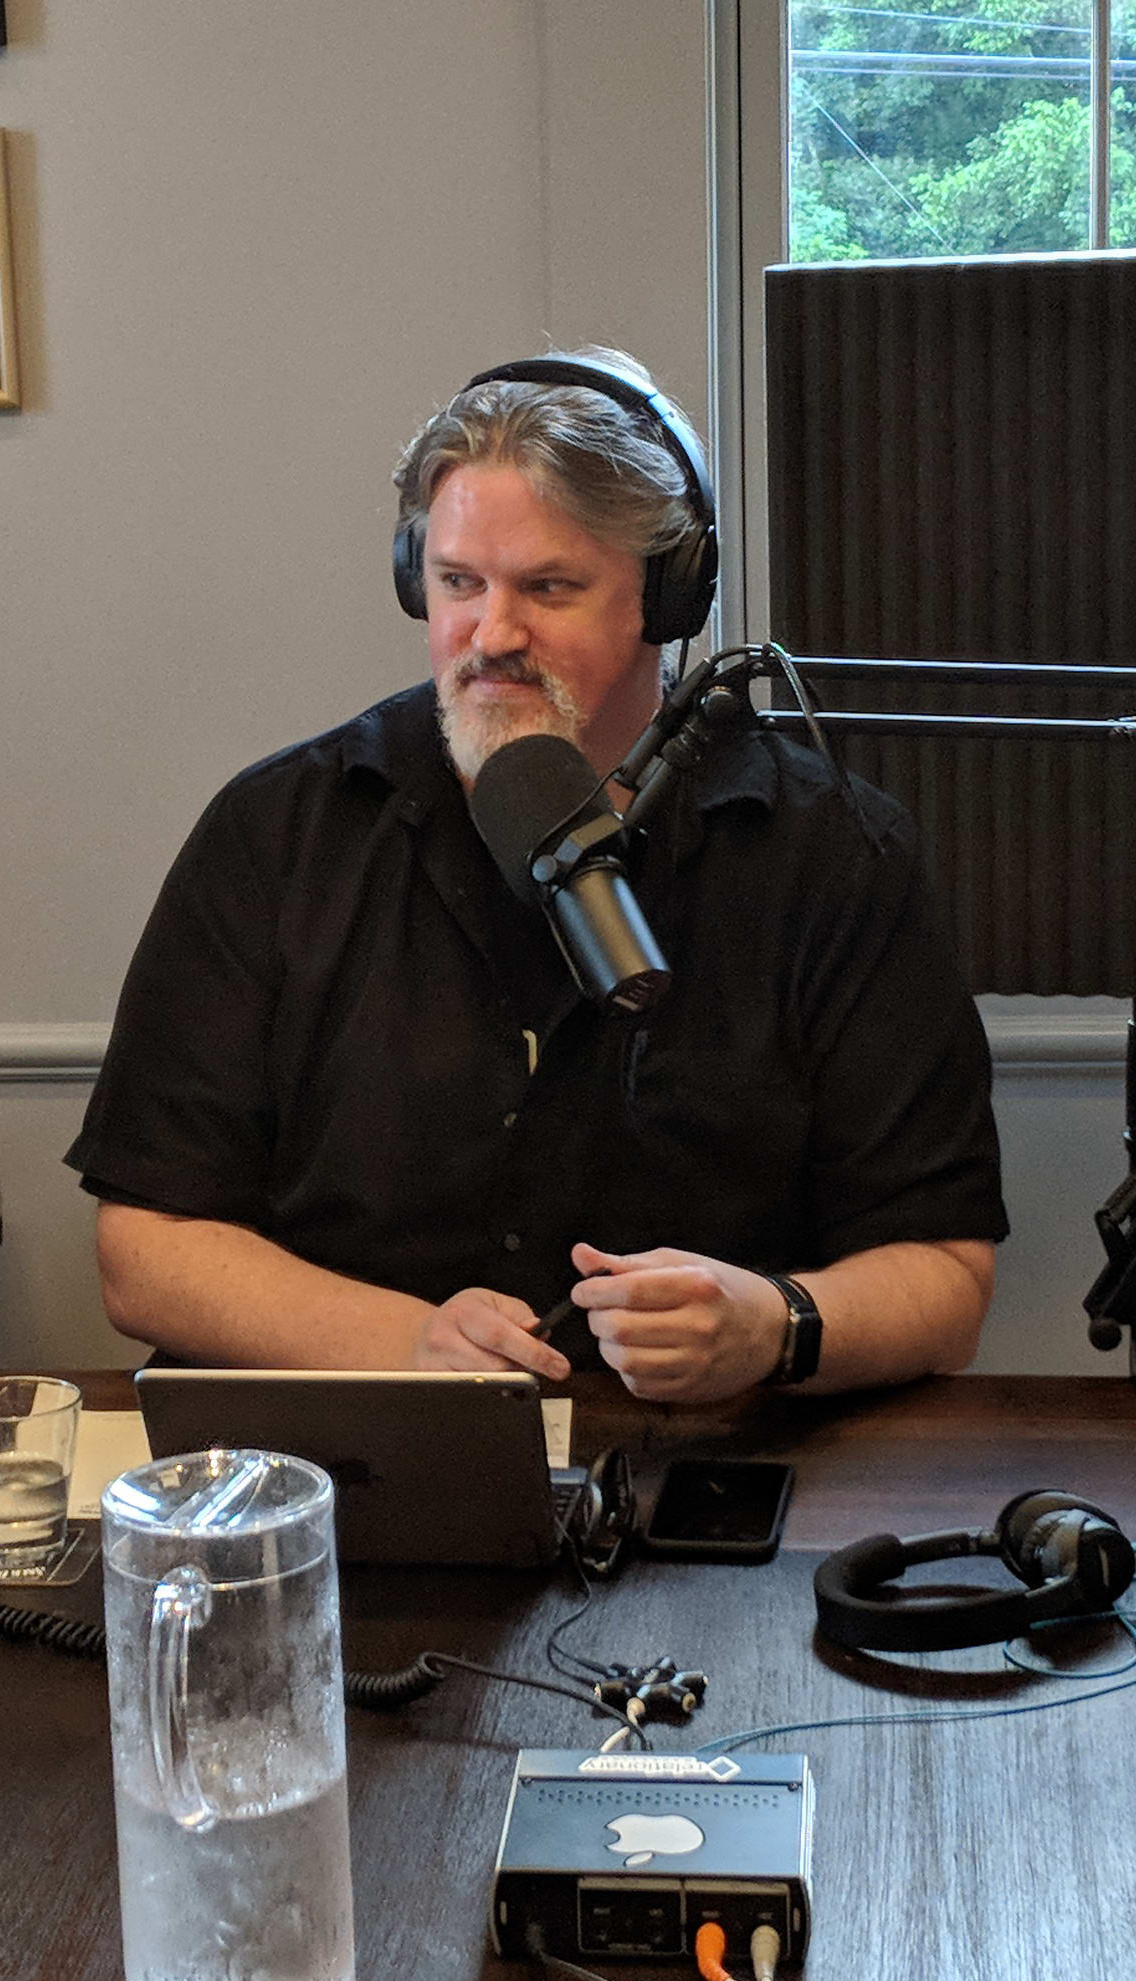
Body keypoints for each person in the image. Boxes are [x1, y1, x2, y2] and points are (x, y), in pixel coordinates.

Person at [68, 350, 1006, 1406]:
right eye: (458, 583)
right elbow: (144, 1247)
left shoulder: (834, 851)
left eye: (549, 588)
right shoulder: (280, 831)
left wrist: (771, 1322)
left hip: (707, 1468)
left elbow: (946, 1276)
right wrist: (410, 1342)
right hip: (356, 1461)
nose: (493, 635)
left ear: (667, 596)